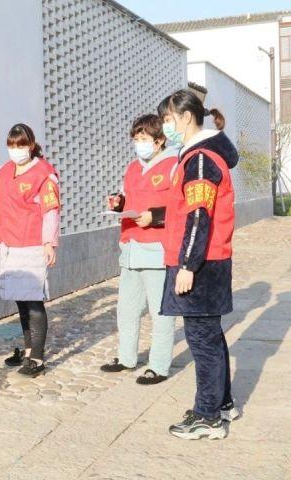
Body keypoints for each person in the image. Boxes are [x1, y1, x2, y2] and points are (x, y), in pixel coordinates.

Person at [157, 89, 241, 440]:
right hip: (209, 260)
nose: (165, 127)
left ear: (185, 116)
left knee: (202, 340)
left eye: (166, 119)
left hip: (201, 264)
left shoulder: (202, 159)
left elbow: (198, 216)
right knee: (211, 336)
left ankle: (207, 416)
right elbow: (186, 209)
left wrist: (187, 266)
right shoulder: (197, 156)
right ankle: (221, 404)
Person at [0, 123, 60, 377]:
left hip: (31, 244)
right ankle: (29, 350)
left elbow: (50, 210)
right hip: (8, 243)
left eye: (21, 145)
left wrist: (48, 242)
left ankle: (39, 358)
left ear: (31, 145)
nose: (16, 150)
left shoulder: (44, 174)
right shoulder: (2, 172)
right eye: (12, 145)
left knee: (33, 301)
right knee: (21, 301)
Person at [100, 114, 178, 385]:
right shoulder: (133, 167)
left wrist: (155, 217)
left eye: (144, 139)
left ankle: (158, 365)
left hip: (157, 249)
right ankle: (126, 358)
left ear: (159, 141)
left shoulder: (173, 165)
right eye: (136, 139)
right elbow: (128, 196)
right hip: (131, 246)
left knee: (160, 312)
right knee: (127, 309)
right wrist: (118, 203)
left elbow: (181, 208)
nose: (139, 144)